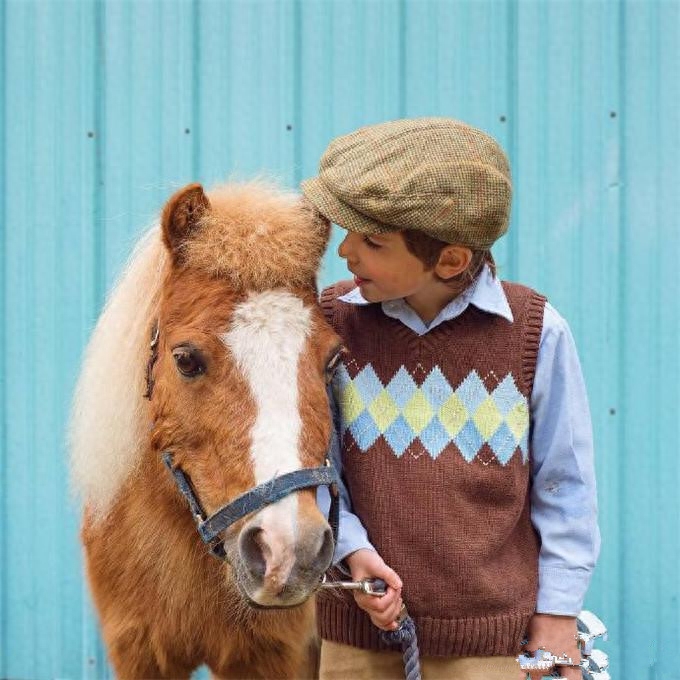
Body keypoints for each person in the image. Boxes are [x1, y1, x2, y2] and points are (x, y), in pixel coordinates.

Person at [302, 118, 600, 680]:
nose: (345, 251)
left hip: (490, 647)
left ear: (450, 261)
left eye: (372, 241)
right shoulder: (332, 324)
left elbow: (565, 484)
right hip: (359, 641)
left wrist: (559, 613)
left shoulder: (535, 333)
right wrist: (352, 552)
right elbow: (317, 468)